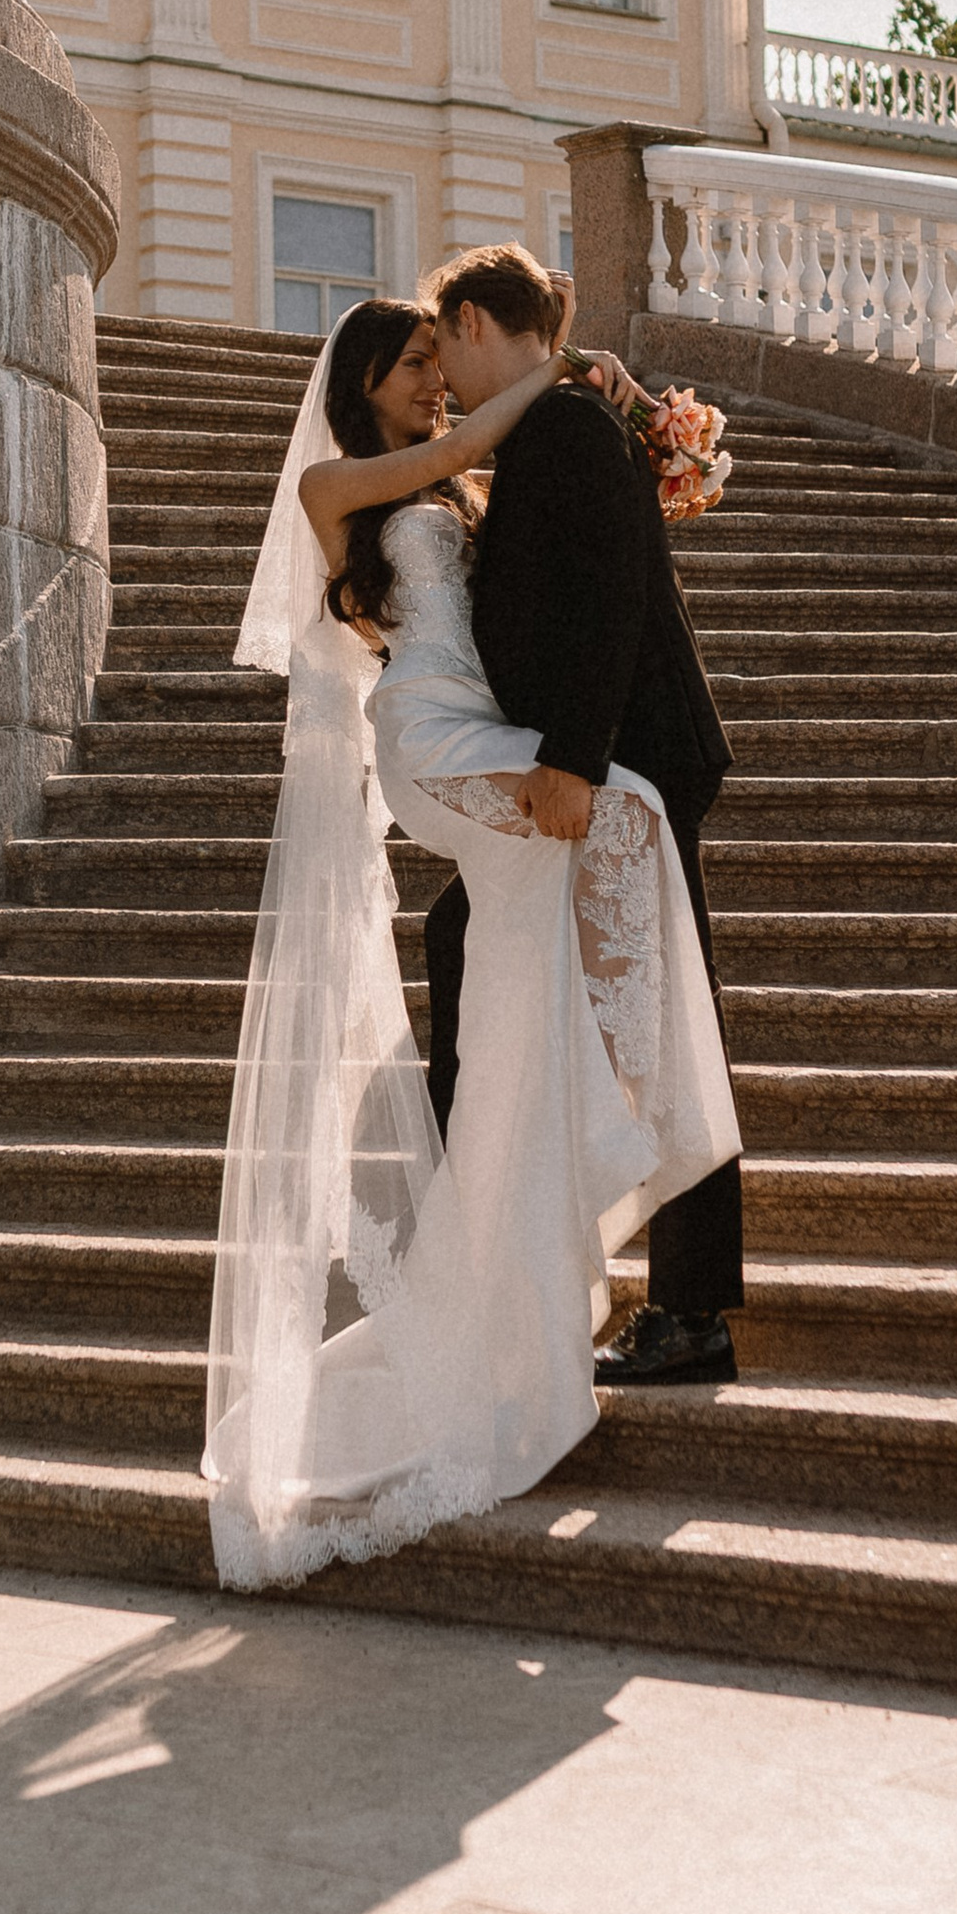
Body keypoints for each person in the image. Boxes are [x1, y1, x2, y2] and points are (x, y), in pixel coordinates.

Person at [202, 288, 740, 1590]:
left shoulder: (463, 481)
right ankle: (631, 1105)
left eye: (445, 358)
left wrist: (619, 431)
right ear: (369, 378)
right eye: (417, 363)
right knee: (629, 812)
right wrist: (573, 382)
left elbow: (541, 564)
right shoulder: (343, 482)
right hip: (432, 745)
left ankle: (536, 1241)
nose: (438, 380)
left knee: (523, 969)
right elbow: (452, 459)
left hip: (483, 731)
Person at [422, 242, 745, 1386]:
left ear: (468, 320)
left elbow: (614, 594)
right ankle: (484, 1236)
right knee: (461, 935)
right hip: (612, 765)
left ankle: (693, 1311)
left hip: (628, 766)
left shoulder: (562, 426)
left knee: (668, 1027)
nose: (445, 384)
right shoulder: (557, 417)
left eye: (441, 352)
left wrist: (572, 760)